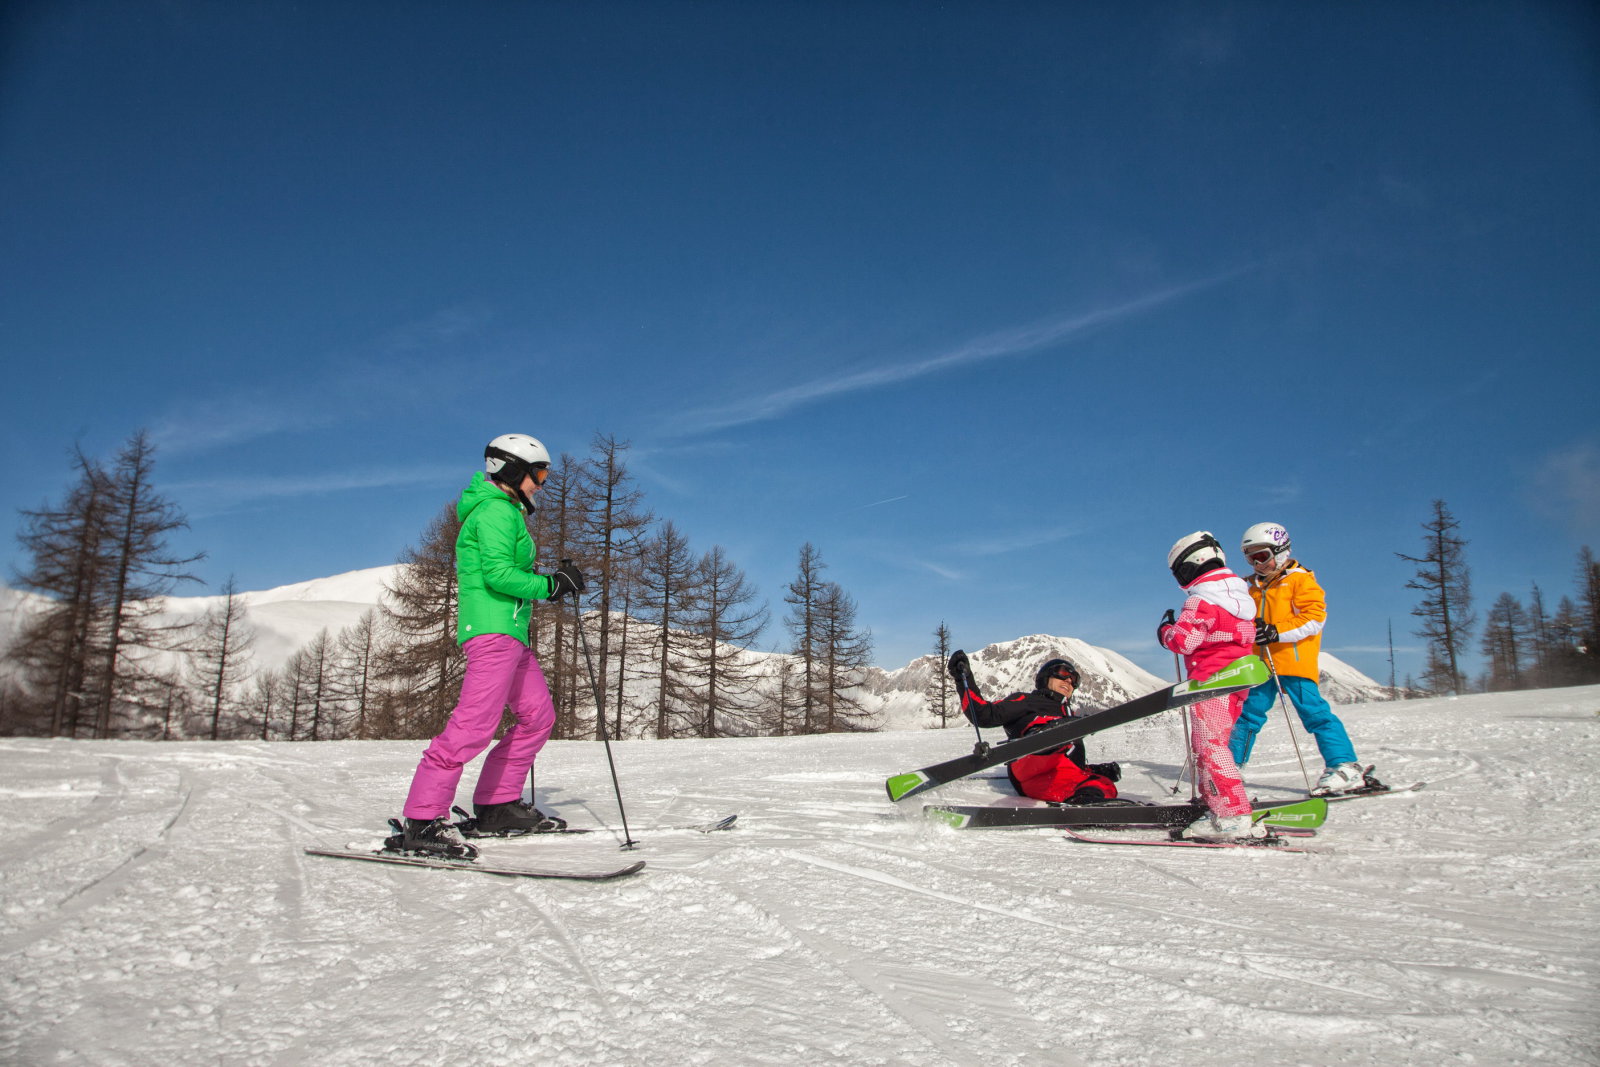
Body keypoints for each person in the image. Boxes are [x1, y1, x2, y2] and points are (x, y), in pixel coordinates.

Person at [392, 433, 587, 858]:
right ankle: (422, 821)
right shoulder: (496, 511)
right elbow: (498, 575)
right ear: (513, 471)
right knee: (473, 726)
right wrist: (551, 585)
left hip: (511, 634)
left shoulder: (506, 511)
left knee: (537, 717)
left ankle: (498, 806)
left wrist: (551, 583)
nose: (541, 484)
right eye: (538, 474)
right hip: (493, 633)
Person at [1228, 522, 1364, 795]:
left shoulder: (1300, 580)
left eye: (1262, 556)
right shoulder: (1249, 587)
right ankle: (1229, 769)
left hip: (1293, 662)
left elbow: (1314, 618)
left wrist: (1276, 631)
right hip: (1260, 665)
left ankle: (1344, 766)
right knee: (1247, 716)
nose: (1257, 564)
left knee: (1314, 713)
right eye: (1250, 558)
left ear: (1281, 552)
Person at [1156, 531, 1261, 841]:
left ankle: (1232, 814)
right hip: (1235, 683)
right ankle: (1217, 805)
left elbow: (1183, 641)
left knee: (1209, 746)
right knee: (1210, 744)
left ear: (1190, 565)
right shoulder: (1240, 601)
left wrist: (1165, 630)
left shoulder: (1202, 600)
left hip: (1211, 682)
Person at [947, 651, 1120, 804]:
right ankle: (1043, 737)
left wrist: (1095, 770)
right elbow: (984, 714)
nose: (1069, 680)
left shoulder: (1069, 716)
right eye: (1063, 674)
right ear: (1046, 677)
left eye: (1074, 679)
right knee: (1064, 731)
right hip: (1028, 763)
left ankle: (1088, 805)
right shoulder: (1027, 700)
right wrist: (963, 678)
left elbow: (1067, 763)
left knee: (1103, 784)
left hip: (1050, 781)